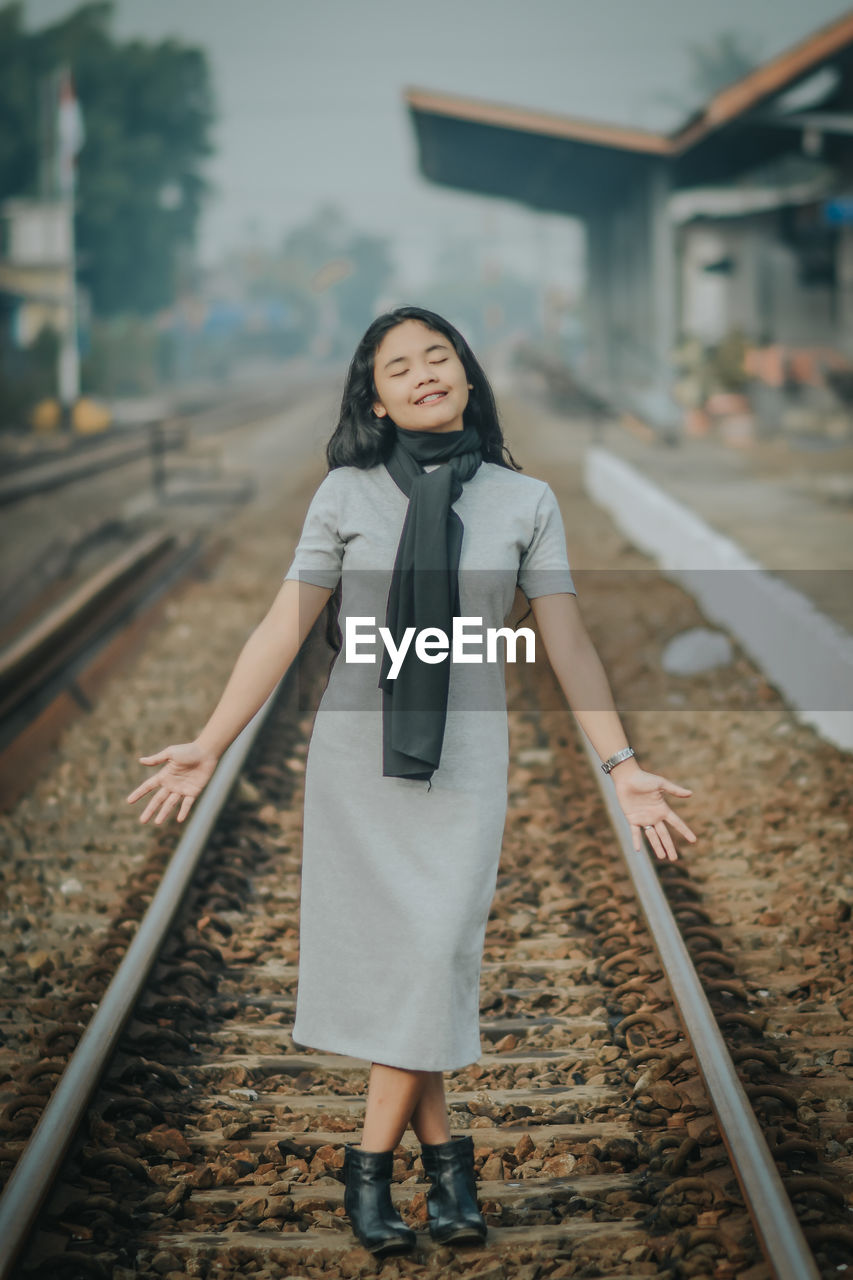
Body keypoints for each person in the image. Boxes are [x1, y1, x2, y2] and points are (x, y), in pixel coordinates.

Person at [126, 305, 697, 1258]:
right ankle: (449, 1178)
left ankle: (367, 1167)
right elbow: (283, 629)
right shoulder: (344, 496)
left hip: (467, 763)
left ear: (469, 377)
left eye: (440, 357)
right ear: (377, 401)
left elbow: (567, 643)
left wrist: (623, 768)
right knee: (416, 968)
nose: (424, 373)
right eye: (399, 367)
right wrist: (212, 742)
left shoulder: (526, 502)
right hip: (359, 761)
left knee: (433, 954)